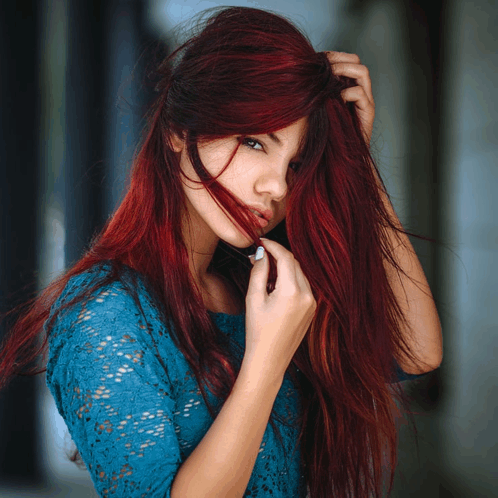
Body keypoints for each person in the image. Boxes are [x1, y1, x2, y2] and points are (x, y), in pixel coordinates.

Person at [0, 6, 443, 497]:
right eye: (254, 142)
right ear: (176, 131)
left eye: (296, 166)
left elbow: (416, 351)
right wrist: (266, 361)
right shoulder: (103, 313)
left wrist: (356, 162)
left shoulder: (260, 285)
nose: (276, 185)